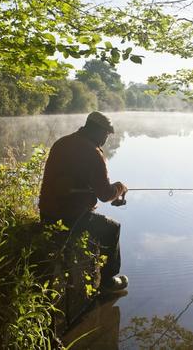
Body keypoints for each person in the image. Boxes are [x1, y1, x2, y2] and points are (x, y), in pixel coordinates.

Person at [39, 111, 128, 293]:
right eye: (106, 134)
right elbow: (104, 194)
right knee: (112, 228)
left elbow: (71, 180)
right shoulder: (93, 153)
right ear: (97, 131)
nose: (105, 139)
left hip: (46, 212)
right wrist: (119, 188)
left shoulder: (62, 143)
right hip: (71, 218)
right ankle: (108, 282)